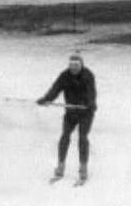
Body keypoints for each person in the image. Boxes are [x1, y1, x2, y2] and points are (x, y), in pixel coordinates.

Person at [36, 54, 97, 183]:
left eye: (76, 66)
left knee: (82, 138)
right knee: (64, 136)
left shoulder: (88, 75)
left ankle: (83, 167)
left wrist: (90, 103)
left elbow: (91, 92)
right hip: (70, 113)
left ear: (81, 65)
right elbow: (55, 89)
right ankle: (61, 165)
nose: (73, 68)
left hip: (85, 112)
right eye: (71, 66)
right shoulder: (64, 75)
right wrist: (46, 99)